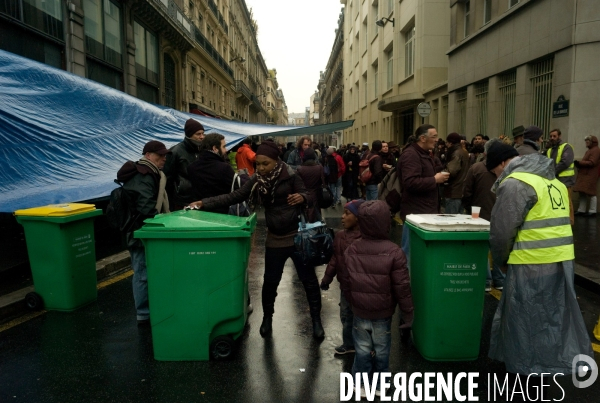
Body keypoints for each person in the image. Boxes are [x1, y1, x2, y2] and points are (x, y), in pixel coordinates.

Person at [189, 140, 325, 339]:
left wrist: (303, 198)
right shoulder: (257, 180)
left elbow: (312, 196)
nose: (260, 168)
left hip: (297, 238)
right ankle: (267, 319)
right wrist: (203, 203)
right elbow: (235, 196)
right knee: (270, 283)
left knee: (309, 282)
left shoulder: (292, 174)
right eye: (258, 164)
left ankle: (316, 321)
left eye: (265, 164)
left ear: (276, 161)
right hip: (275, 238)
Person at [487, 145, 593, 375]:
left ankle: (527, 367)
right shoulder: (553, 182)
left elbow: (502, 232)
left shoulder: (516, 183)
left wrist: (500, 260)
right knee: (551, 316)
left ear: (504, 163)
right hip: (562, 260)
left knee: (525, 318)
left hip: (531, 261)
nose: (498, 176)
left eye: (495, 170)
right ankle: (549, 359)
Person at [342, 200, 413, 394]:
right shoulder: (394, 252)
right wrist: (408, 313)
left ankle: (360, 384)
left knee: (362, 348)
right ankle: (381, 384)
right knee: (382, 349)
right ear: (385, 224)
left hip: (360, 311)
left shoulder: (352, 249)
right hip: (383, 312)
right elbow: (402, 287)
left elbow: (346, 282)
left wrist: (352, 302)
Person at [116, 141, 171, 325]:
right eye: (160, 155)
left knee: (148, 272)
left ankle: (149, 310)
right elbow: (146, 208)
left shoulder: (152, 173)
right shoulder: (144, 176)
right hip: (139, 232)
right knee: (142, 273)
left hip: (143, 231)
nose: (164, 158)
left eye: (164, 155)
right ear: (148, 155)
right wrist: (162, 222)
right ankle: (143, 315)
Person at [320, 199, 365, 355]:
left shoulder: (367, 239)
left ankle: (365, 344)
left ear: (359, 217)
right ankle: (349, 344)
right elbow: (335, 259)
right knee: (345, 316)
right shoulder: (340, 236)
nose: (342, 217)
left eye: (347, 213)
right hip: (345, 287)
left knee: (361, 318)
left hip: (361, 289)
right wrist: (327, 278)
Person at [462, 139, 508, 291]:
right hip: (501, 215)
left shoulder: (476, 168)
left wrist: (468, 209)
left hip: (479, 215)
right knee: (498, 248)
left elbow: (467, 192)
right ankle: (500, 280)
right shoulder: (507, 169)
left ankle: (486, 280)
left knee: (482, 248)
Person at [398, 125, 450, 260]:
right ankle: (406, 280)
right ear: (422, 138)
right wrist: (434, 179)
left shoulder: (425, 154)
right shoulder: (411, 155)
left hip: (424, 212)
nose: (437, 140)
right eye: (434, 137)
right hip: (415, 214)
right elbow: (410, 182)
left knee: (419, 255)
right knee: (409, 254)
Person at [187, 133, 235, 215]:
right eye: (223, 146)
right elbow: (235, 190)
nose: (226, 150)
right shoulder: (224, 168)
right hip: (222, 213)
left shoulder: (191, 167)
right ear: (215, 148)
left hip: (199, 213)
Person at [163, 118, 204, 210]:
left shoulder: (203, 150)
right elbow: (168, 177)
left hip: (200, 198)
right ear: (189, 135)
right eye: (198, 134)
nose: (202, 136)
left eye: (202, 133)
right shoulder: (175, 152)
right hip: (182, 200)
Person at [547, 129, 575, 224]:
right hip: (555, 179)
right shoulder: (550, 149)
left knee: (567, 200)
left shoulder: (566, 147)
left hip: (565, 179)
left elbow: (565, 162)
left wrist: (552, 172)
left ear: (559, 136)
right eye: (550, 136)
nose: (552, 138)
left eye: (554, 136)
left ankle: (570, 221)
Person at [573, 135, 600, 216]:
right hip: (586, 174)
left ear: (592, 142)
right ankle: (582, 209)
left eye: (588, 141)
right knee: (582, 192)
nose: (586, 142)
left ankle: (592, 210)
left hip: (590, 174)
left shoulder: (595, 150)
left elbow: (592, 162)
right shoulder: (591, 150)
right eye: (586, 141)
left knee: (591, 193)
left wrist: (579, 163)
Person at [443, 132, 469, 214]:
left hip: (454, 192)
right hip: (461, 190)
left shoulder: (456, 153)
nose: (446, 144)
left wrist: (441, 173)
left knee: (451, 220)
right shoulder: (464, 152)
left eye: (447, 142)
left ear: (450, 143)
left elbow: (451, 171)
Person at [297, 148, 324, 222]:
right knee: (316, 215)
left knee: (304, 215)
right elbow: (323, 182)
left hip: (303, 195)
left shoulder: (300, 169)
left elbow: (297, 183)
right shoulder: (319, 167)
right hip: (316, 194)